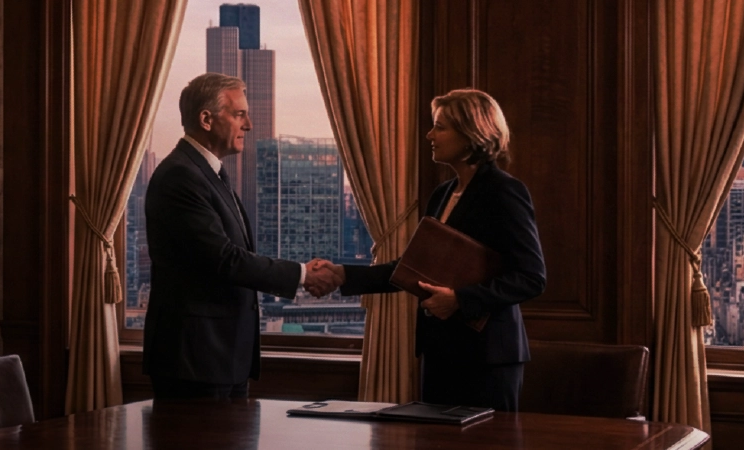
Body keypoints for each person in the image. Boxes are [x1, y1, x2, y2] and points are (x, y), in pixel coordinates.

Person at [309, 88, 545, 411]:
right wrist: (342, 275)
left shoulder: (505, 192)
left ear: (470, 134)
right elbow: (412, 267)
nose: (430, 134)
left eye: (441, 127)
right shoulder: (442, 194)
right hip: (440, 353)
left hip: (488, 359)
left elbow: (532, 277)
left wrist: (459, 300)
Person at [144, 73, 343, 400]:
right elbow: (224, 259)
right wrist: (303, 274)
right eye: (239, 114)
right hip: (195, 359)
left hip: (219, 357)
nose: (248, 124)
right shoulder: (181, 176)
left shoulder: (208, 173)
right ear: (206, 119)